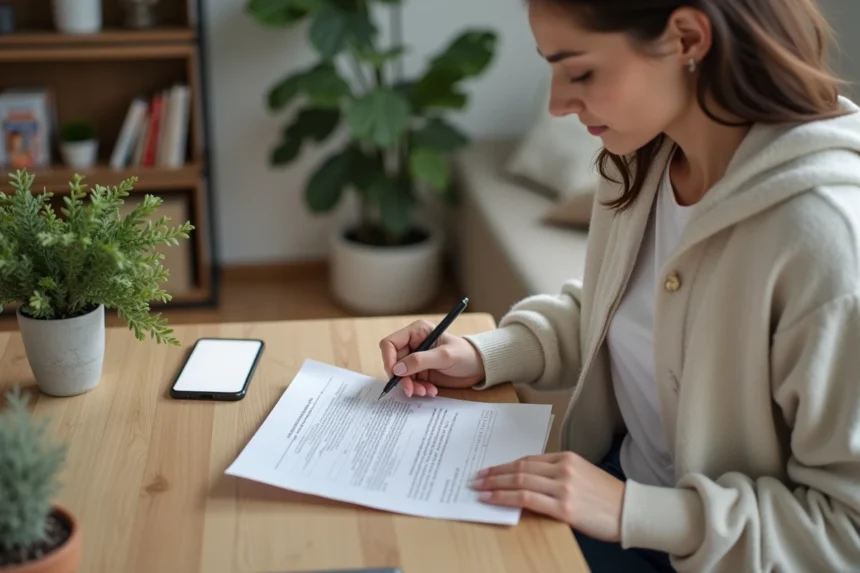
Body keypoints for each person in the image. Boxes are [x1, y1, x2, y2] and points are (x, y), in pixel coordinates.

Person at [378, 0, 860, 571]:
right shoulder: (640, 160)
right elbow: (616, 308)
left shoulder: (824, 239)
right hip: (612, 489)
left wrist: (631, 511)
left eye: (580, 72)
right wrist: (485, 354)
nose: (557, 104)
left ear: (687, 39)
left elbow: (846, 531)